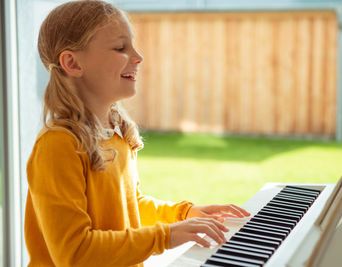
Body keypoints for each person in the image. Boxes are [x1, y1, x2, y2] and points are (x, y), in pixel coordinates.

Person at [24, 1, 250, 266]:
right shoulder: (58, 146)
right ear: (72, 63)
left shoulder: (116, 135)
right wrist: (164, 236)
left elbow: (130, 205)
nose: (138, 56)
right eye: (121, 48)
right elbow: (75, 252)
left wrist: (183, 214)